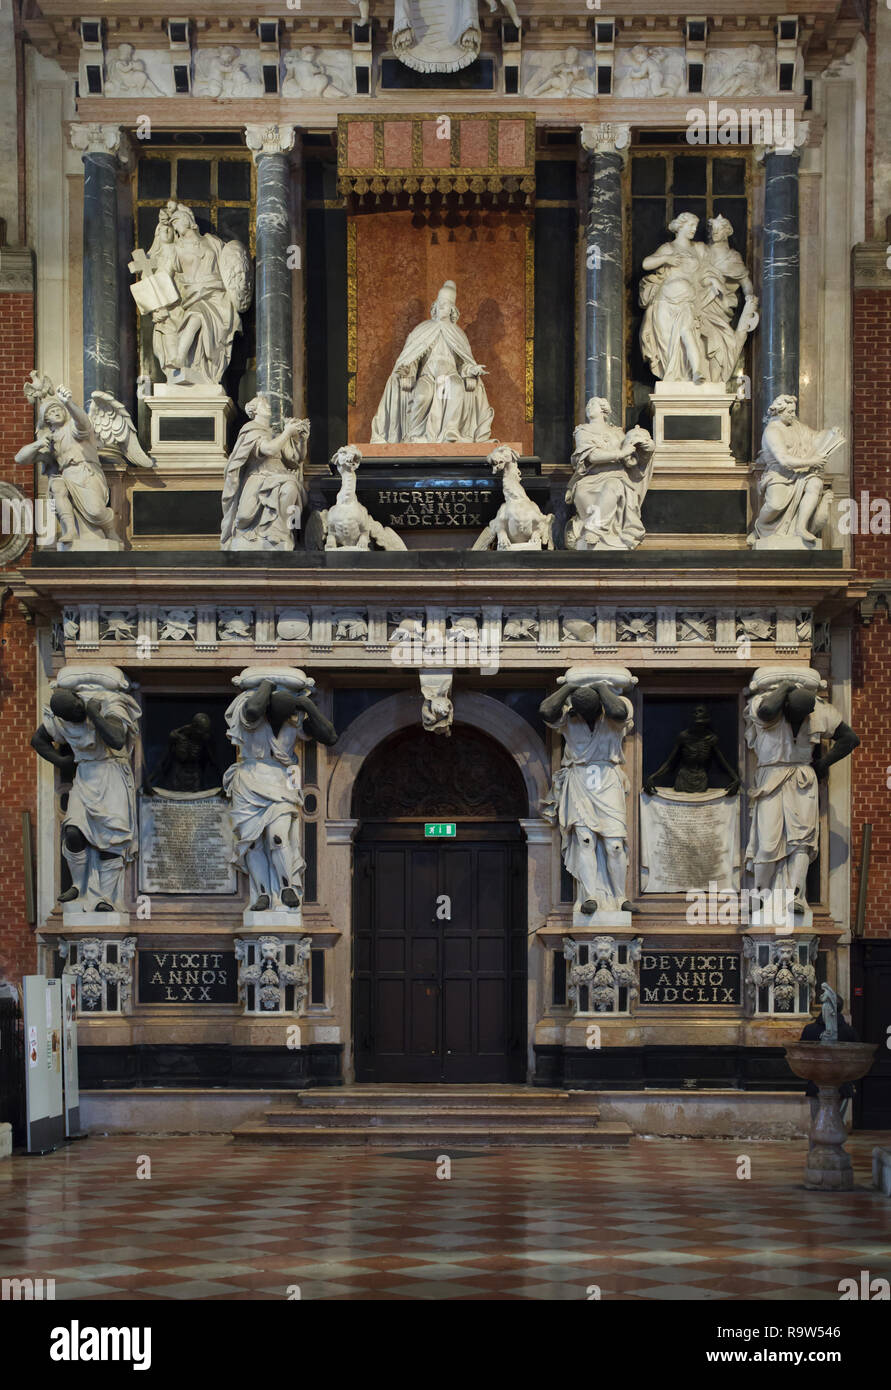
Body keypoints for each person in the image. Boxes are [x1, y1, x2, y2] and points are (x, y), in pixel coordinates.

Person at [744, 670, 859, 914]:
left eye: (803, 715)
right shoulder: (763, 704)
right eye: (795, 714)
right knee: (767, 840)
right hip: (771, 777)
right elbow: (766, 712)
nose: (800, 718)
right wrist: (786, 686)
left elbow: (850, 739)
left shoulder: (819, 710)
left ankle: (796, 895)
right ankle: (760, 893)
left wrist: (822, 764)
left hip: (802, 778)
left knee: (802, 841)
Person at [224, 671, 337, 912]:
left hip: (282, 780)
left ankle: (287, 886)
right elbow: (254, 710)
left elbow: (330, 736)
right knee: (252, 843)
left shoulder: (294, 719)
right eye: (281, 709)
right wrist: (268, 680)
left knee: (278, 837)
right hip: (249, 781)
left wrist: (307, 705)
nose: (286, 715)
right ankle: (263, 894)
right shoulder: (248, 712)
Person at [31, 667, 141, 912]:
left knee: (112, 839)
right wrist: (61, 761)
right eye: (73, 717)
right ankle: (78, 887)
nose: (78, 717)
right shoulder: (61, 719)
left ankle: (105, 897)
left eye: (79, 710)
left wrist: (94, 713)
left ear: (80, 700)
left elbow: (116, 739)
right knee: (72, 831)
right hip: (85, 775)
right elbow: (38, 741)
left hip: (112, 773)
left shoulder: (110, 703)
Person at [540, 671, 635, 915]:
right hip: (580, 780)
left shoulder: (615, 711)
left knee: (614, 844)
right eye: (583, 712)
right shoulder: (569, 717)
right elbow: (546, 711)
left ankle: (620, 896)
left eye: (591, 711)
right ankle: (589, 896)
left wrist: (602, 687)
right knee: (584, 840)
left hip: (607, 779)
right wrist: (569, 688)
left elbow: (619, 713)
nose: (587, 716)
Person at [370, 280, 494, 444]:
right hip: (428, 375)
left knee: (454, 389)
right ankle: (414, 436)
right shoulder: (423, 328)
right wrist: (408, 372)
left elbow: (463, 363)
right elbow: (413, 357)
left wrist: (471, 370)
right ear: (434, 307)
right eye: (439, 304)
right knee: (422, 395)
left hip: (448, 375)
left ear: (452, 310)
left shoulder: (458, 334)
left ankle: (450, 434)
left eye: (446, 304)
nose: (442, 307)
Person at [748, 395, 843, 548]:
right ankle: (759, 528)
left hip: (801, 473)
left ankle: (801, 527)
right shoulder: (772, 431)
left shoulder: (797, 426)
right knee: (775, 505)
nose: (793, 415)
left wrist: (830, 433)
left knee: (815, 483)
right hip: (779, 475)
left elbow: (815, 437)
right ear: (779, 411)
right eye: (789, 412)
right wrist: (812, 461)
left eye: (793, 411)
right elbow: (784, 460)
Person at [565, 397, 654, 550]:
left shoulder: (617, 432)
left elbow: (630, 461)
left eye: (592, 404)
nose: (588, 407)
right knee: (584, 490)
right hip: (590, 479)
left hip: (616, 476)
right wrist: (620, 453)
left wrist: (645, 449)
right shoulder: (582, 431)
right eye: (587, 405)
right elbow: (592, 456)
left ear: (603, 409)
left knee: (614, 486)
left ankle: (594, 529)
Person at [221, 398, 309, 551]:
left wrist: (302, 440)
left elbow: (296, 458)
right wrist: (287, 432)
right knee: (243, 517)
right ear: (254, 410)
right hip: (258, 477)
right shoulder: (250, 430)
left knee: (291, 487)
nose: (268, 405)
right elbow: (269, 449)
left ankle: (280, 533)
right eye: (263, 403)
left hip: (281, 476)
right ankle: (250, 535)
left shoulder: (275, 434)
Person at [644, 704, 741, 795]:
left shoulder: (711, 739)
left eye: (700, 711)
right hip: (683, 779)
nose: (697, 714)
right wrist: (653, 777)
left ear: (706, 716)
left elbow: (722, 762)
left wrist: (736, 779)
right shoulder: (684, 736)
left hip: (701, 780)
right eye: (695, 712)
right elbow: (670, 762)